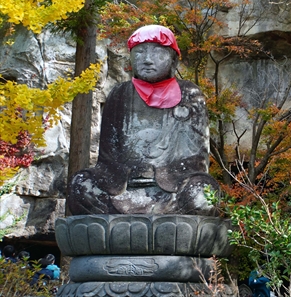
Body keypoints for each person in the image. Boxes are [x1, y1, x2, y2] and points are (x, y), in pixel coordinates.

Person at [67, 25, 219, 215]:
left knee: (202, 194)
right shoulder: (119, 94)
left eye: (157, 53)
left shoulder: (189, 94)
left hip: (171, 191)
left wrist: (159, 173)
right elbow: (106, 160)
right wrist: (130, 171)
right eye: (139, 53)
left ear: (174, 60)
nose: (147, 59)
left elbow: (196, 160)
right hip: (124, 189)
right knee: (79, 185)